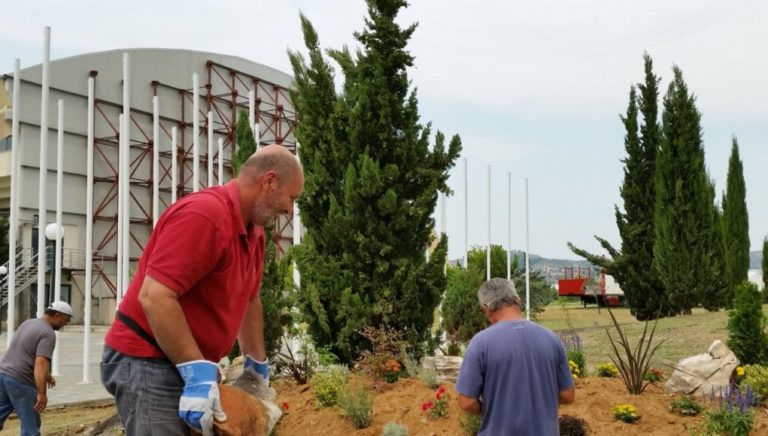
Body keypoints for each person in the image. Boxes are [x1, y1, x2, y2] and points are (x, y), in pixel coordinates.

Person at [101, 144, 304, 436]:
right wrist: (196, 374)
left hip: (183, 364)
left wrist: (256, 365)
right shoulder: (205, 216)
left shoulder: (254, 233)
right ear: (269, 182)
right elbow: (155, 297)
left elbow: (250, 300)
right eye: (291, 197)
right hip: (147, 360)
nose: (289, 209)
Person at [455, 278, 575, 436]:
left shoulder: (480, 343)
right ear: (518, 301)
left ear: (486, 309)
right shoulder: (551, 338)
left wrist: (493, 408)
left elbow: (467, 402)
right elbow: (568, 395)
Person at [0, 301, 74, 436]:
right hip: (21, 383)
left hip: (3, 376)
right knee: (31, 427)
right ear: (57, 315)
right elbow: (40, 363)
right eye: (66, 319)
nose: (66, 324)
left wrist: (46, 375)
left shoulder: (28, 323)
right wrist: (42, 393)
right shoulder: (48, 333)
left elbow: (24, 352)